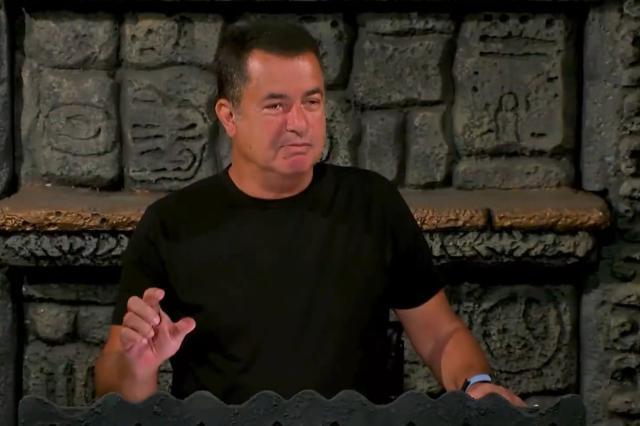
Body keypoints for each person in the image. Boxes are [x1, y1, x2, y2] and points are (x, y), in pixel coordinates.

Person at [94, 20, 525, 407]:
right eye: (276, 105)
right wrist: (138, 368)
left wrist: (477, 384)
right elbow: (112, 386)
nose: (299, 123)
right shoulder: (172, 225)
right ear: (229, 116)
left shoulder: (372, 204)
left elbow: (441, 335)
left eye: (312, 101)